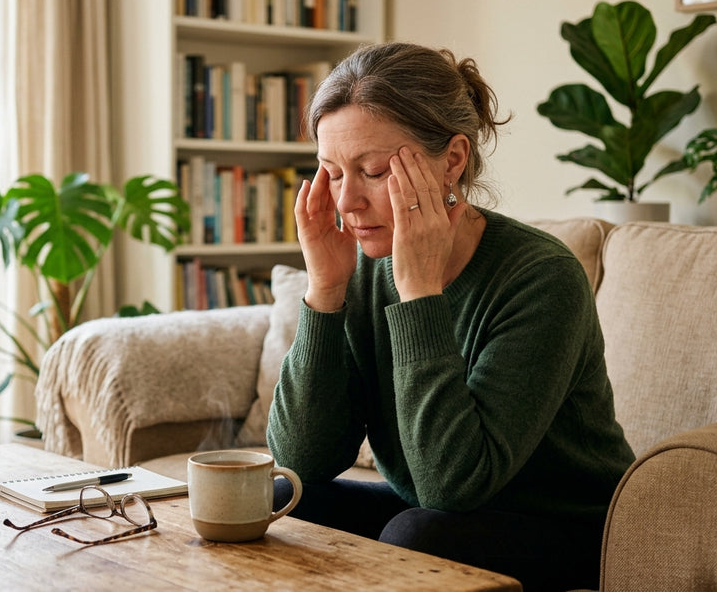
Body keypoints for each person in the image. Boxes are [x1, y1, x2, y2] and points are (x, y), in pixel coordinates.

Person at [266, 42, 636, 592]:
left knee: (417, 537)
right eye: (331, 172)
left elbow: (452, 485)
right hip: (436, 505)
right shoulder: (367, 268)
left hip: (570, 526)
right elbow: (300, 459)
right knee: (277, 501)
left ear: (453, 160)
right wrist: (325, 290)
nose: (346, 203)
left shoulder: (542, 277)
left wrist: (419, 292)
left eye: (370, 171)